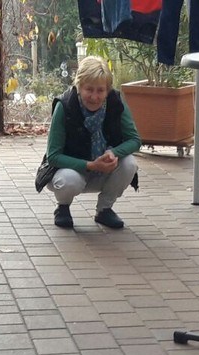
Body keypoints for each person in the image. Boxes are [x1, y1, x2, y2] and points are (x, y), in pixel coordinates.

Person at [39, 56, 141, 230]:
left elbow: (135, 140)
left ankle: (104, 210)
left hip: (105, 168)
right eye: (89, 89)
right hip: (72, 170)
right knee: (68, 180)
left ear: (108, 90)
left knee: (130, 163)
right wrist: (91, 165)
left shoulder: (116, 102)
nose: (94, 97)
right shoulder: (64, 105)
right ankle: (63, 207)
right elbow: (53, 156)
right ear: (79, 86)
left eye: (100, 90)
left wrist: (113, 153)